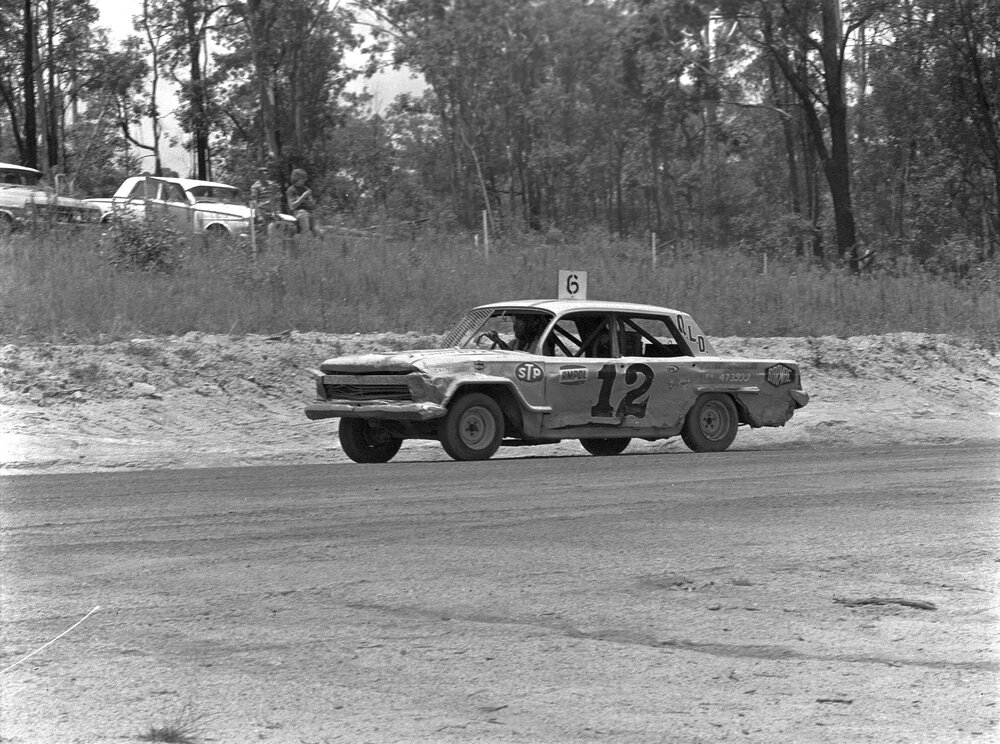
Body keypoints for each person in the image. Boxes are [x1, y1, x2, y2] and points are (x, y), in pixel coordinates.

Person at [286, 168, 317, 235]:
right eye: (303, 178)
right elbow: (292, 206)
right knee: (306, 232)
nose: (305, 180)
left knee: (320, 234)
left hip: (310, 212)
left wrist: (304, 200)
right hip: (299, 213)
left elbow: (313, 205)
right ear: (296, 178)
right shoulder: (291, 190)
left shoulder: (306, 189)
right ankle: (304, 244)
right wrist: (303, 197)